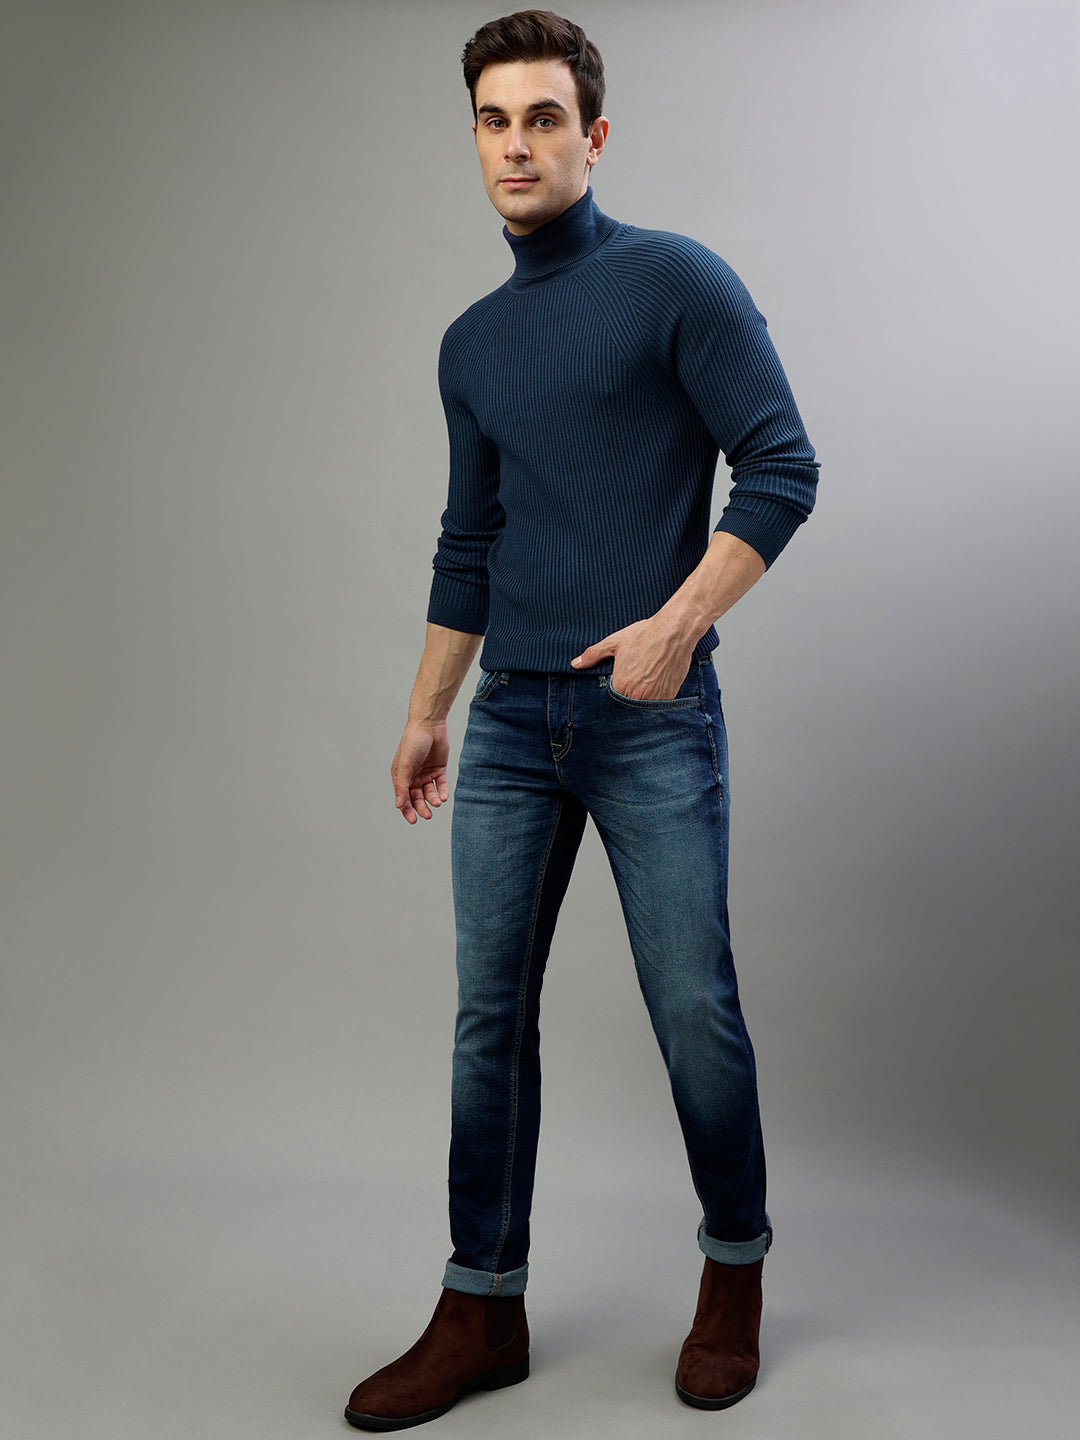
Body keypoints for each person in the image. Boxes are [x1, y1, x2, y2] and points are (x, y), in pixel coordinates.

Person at [345, 9, 818, 1430]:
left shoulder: (675, 282)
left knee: (692, 1008)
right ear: (474, 139)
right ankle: (480, 1306)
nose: (517, 145)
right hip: (507, 725)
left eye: (543, 117)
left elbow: (781, 469)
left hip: (647, 715)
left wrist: (679, 626)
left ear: (593, 137)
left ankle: (732, 1274)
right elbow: (468, 543)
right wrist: (427, 713)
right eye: (494, 121)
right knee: (488, 1019)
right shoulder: (472, 343)